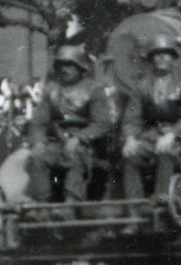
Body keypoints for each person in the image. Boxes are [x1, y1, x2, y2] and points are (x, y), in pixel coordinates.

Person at [25, 45, 115, 203]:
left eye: (69, 65)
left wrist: (80, 137)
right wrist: (38, 141)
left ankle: (71, 202)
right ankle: (41, 204)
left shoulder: (94, 89)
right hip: (58, 142)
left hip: (88, 145)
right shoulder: (51, 90)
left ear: (80, 67)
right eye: (61, 65)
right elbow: (39, 121)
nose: (64, 69)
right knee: (37, 157)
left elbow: (102, 122)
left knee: (75, 154)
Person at [121, 35, 181, 200]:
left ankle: (163, 200)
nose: (161, 58)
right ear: (151, 59)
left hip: (180, 138)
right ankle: (134, 208)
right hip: (151, 137)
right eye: (156, 54)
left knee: (165, 151)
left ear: (173, 57)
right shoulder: (141, 86)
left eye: (166, 54)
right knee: (130, 155)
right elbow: (132, 118)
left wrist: (172, 134)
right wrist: (130, 139)